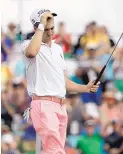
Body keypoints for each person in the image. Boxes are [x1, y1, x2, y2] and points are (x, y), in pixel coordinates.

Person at [21, 8, 100, 154]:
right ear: (36, 28)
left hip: (60, 106)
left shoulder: (58, 49)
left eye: (52, 28)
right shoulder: (27, 44)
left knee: (56, 149)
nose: (51, 32)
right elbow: (32, 52)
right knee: (55, 150)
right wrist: (41, 25)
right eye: (47, 29)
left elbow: (64, 82)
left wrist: (86, 88)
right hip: (43, 104)